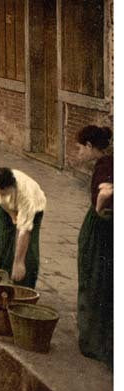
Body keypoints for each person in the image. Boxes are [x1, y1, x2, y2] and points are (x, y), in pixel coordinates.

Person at [74, 125, 113, 368]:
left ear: (90, 146)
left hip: (100, 228)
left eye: (80, 148)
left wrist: (99, 205)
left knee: (94, 281)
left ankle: (93, 342)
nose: (78, 153)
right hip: (102, 226)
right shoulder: (108, 164)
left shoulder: (105, 168)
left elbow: (106, 196)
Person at [0, 167, 45, 288]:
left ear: (11, 186)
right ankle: (0, 282)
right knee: (3, 240)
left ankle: (24, 286)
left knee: (27, 249)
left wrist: (18, 262)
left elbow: (24, 231)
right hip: (5, 207)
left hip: (33, 209)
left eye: (3, 192)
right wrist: (9, 212)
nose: (0, 194)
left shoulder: (26, 196)